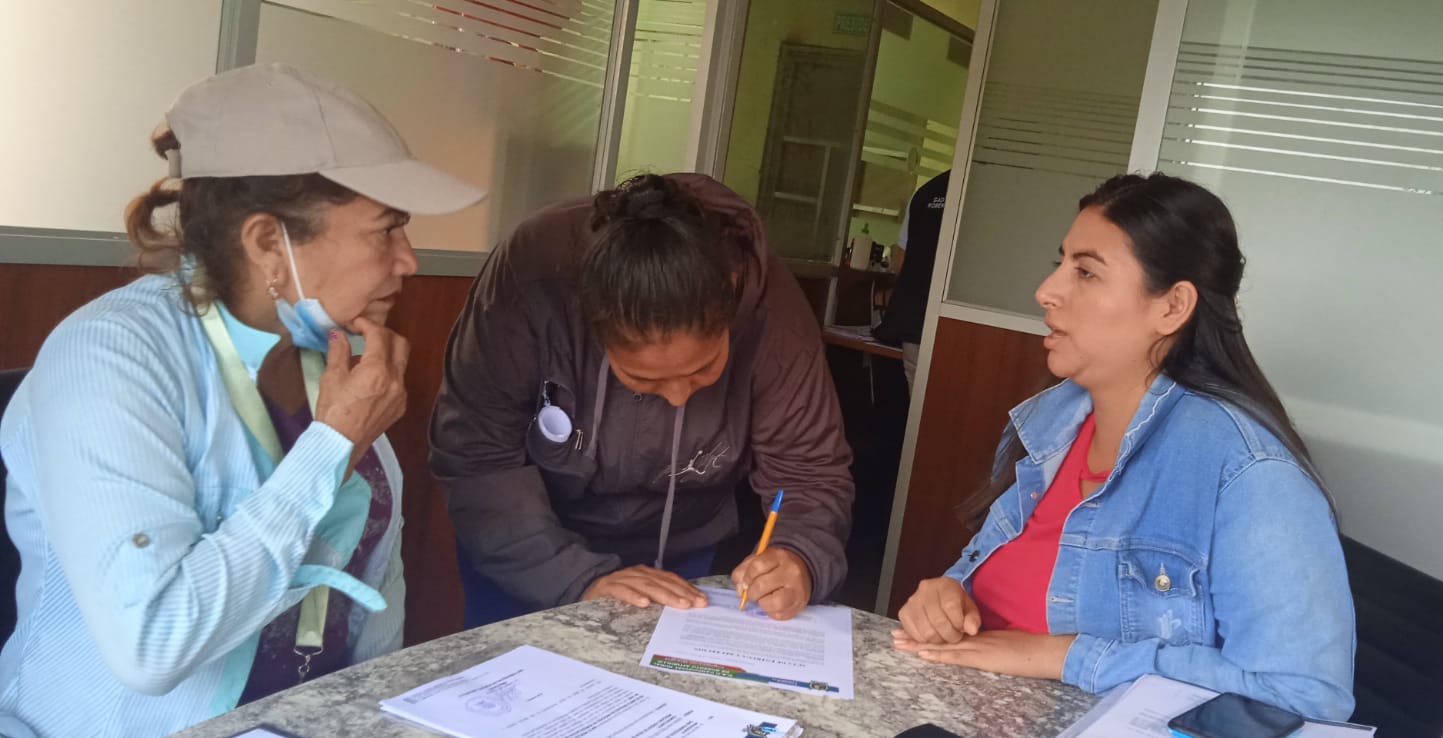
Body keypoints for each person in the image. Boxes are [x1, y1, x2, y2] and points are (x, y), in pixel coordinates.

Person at [0, 63, 483, 738]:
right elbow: (153, 643)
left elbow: (373, 591)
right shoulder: (110, 355)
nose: (408, 260)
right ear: (267, 243)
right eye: (385, 230)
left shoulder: (330, 352)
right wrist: (332, 447)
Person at [891, 173, 1356, 720]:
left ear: (1172, 307)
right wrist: (949, 595)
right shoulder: (1046, 425)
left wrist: (1066, 655)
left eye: (1086, 272)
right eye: (1061, 262)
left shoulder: (1249, 472)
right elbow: (998, 582)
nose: (1047, 290)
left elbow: (1304, 697)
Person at [430, 173, 853, 626]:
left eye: (702, 370)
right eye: (643, 378)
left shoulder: (772, 311)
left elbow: (808, 471)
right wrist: (577, 578)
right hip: (525, 545)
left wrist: (798, 552)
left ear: (731, 292)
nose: (678, 398)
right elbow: (478, 457)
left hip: (680, 552)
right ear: (594, 323)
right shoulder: (531, 274)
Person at [874, 170, 950, 386]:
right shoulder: (987, 189)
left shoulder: (924, 193)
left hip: (915, 320)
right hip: (961, 325)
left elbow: (901, 263)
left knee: (919, 396)